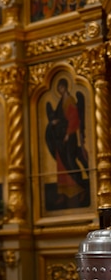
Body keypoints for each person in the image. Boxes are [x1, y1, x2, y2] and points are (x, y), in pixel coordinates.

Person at [45, 78, 89, 207]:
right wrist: (55, 122)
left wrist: (68, 134)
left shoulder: (69, 100)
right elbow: (61, 117)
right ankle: (64, 194)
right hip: (61, 139)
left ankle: (82, 188)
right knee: (61, 164)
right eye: (58, 89)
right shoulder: (61, 102)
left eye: (61, 88)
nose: (60, 91)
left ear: (65, 87)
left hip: (69, 138)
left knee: (70, 162)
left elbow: (74, 119)